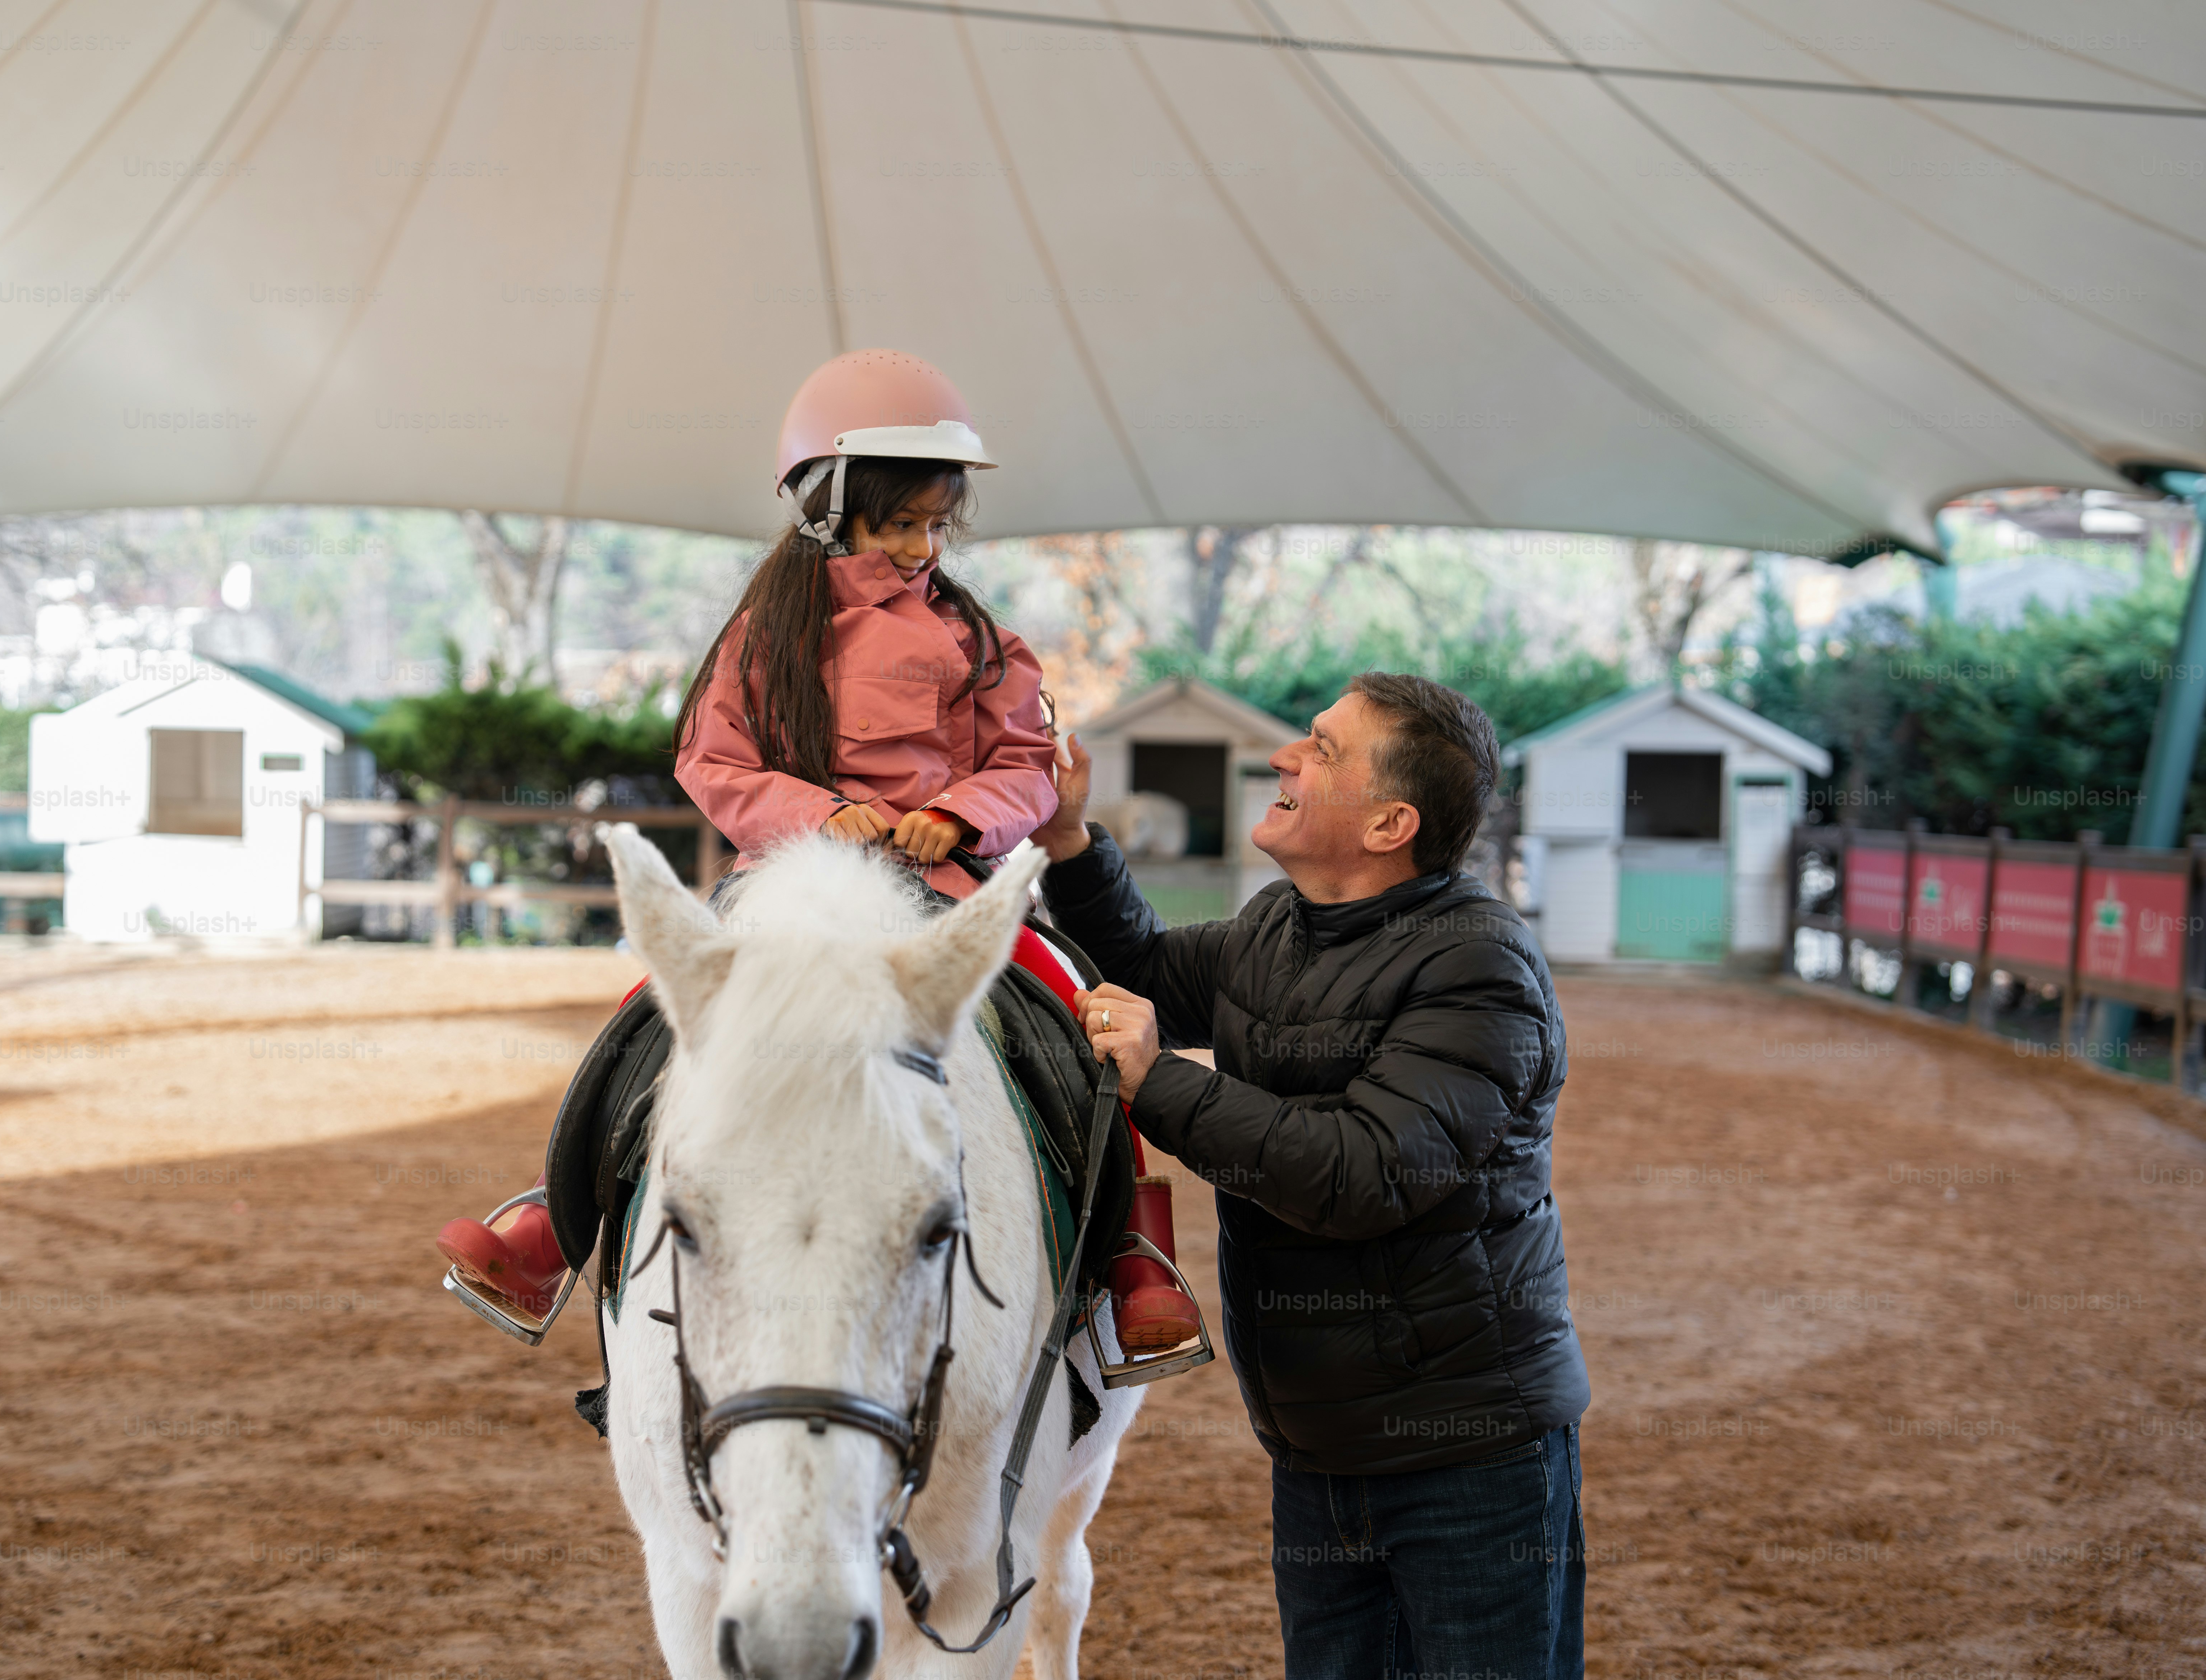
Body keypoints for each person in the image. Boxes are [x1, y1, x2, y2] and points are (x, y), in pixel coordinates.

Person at [439, 350, 1202, 1355]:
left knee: (1069, 1001)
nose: (924, 546)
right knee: (647, 1017)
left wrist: (966, 817)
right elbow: (715, 763)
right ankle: (555, 1223)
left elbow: (1027, 765)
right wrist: (817, 814)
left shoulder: (985, 645)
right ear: (828, 509)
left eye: (937, 524)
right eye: (901, 523)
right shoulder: (765, 640)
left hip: (944, 886)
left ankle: (1131, 1255)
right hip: (792, 880)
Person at [1029, 672, 1588, 1679]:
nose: (1286, 757)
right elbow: (1143, 968)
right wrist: (1070, 842)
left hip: (1464, 1457)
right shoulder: (1279, 929)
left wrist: (1160, 1084)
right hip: (1320, 1449)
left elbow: (1366, 1172)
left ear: (1388, 824)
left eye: (1323, 748)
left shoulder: (1478, 964)